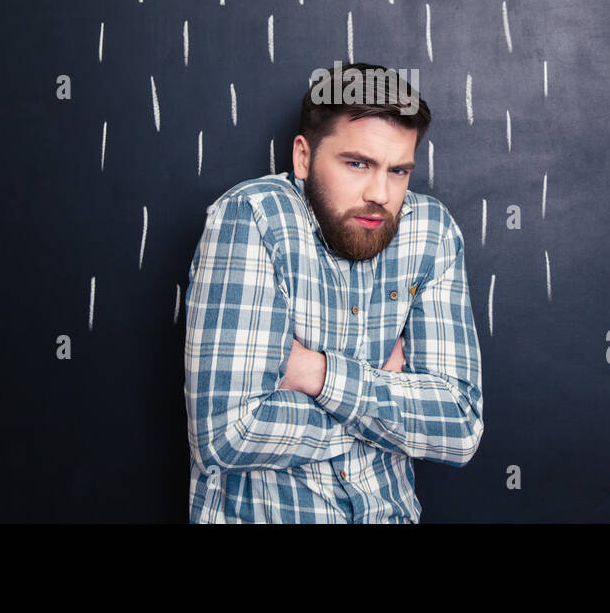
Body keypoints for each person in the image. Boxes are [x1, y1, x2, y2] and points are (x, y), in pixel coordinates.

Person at [183, 61, 484, 522]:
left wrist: (316, 373)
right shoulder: (252, 218)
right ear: (303, 157)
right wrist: (389, 406)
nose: (380, 193)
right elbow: (226, 434)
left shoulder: (431, 230)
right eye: (357, 163)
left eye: (399, 171)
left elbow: (460, 427)